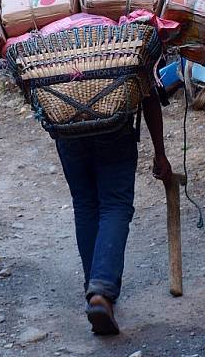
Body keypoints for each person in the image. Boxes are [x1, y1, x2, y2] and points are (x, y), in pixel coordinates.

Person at [55, 87, 172, 336]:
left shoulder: (47, 46)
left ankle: (95, 290)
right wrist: (159, 153)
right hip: (113, 126)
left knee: (85, 204)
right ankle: (101, 291)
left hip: (66, 125)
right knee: (115, 205)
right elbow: (148, 90)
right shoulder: (120, 45)